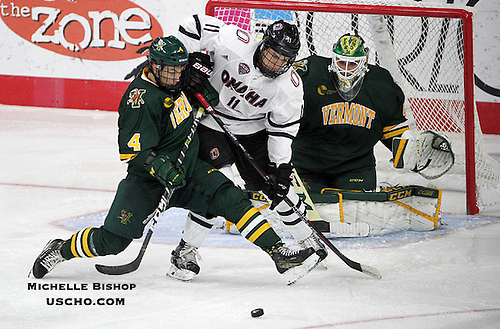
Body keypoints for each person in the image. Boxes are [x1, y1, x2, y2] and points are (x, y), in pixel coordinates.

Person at [30, 36, 320, 284]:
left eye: (179, 70)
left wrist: (200, 87)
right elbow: (135, 154)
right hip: (148, 183)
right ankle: (61, 249)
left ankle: (279, 251)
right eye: (169, 71)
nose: (175, 76)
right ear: (153, 67)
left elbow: (201, 95)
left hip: (187, 171)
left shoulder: (177, 81)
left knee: (231, 198)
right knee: (113, 242)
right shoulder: (141, 100)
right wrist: (163, 169)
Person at [167, 15, 328, 281]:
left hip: (254, 132)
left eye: (283, 59)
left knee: (277, 186)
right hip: (211, 122)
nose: (275, 63)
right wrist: (192, 59)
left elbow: (282, 130)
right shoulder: (233, 41)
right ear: (262, 44)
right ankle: (186, 251)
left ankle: (309, 240)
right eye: (272, 54)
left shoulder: (290, 87)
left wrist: (281, 165)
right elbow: (192, 25)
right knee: (219, 186)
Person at [291, 33, 454, 235]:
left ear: (365, 60)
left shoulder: (381, 84)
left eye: (353, 64)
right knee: (302, 210)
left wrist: (410, 151)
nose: (346, 70)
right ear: (333, 58)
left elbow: (392, 129)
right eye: (341, 62)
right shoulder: (309, 74)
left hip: (354, 167)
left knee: (357, 213)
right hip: (307, 165)